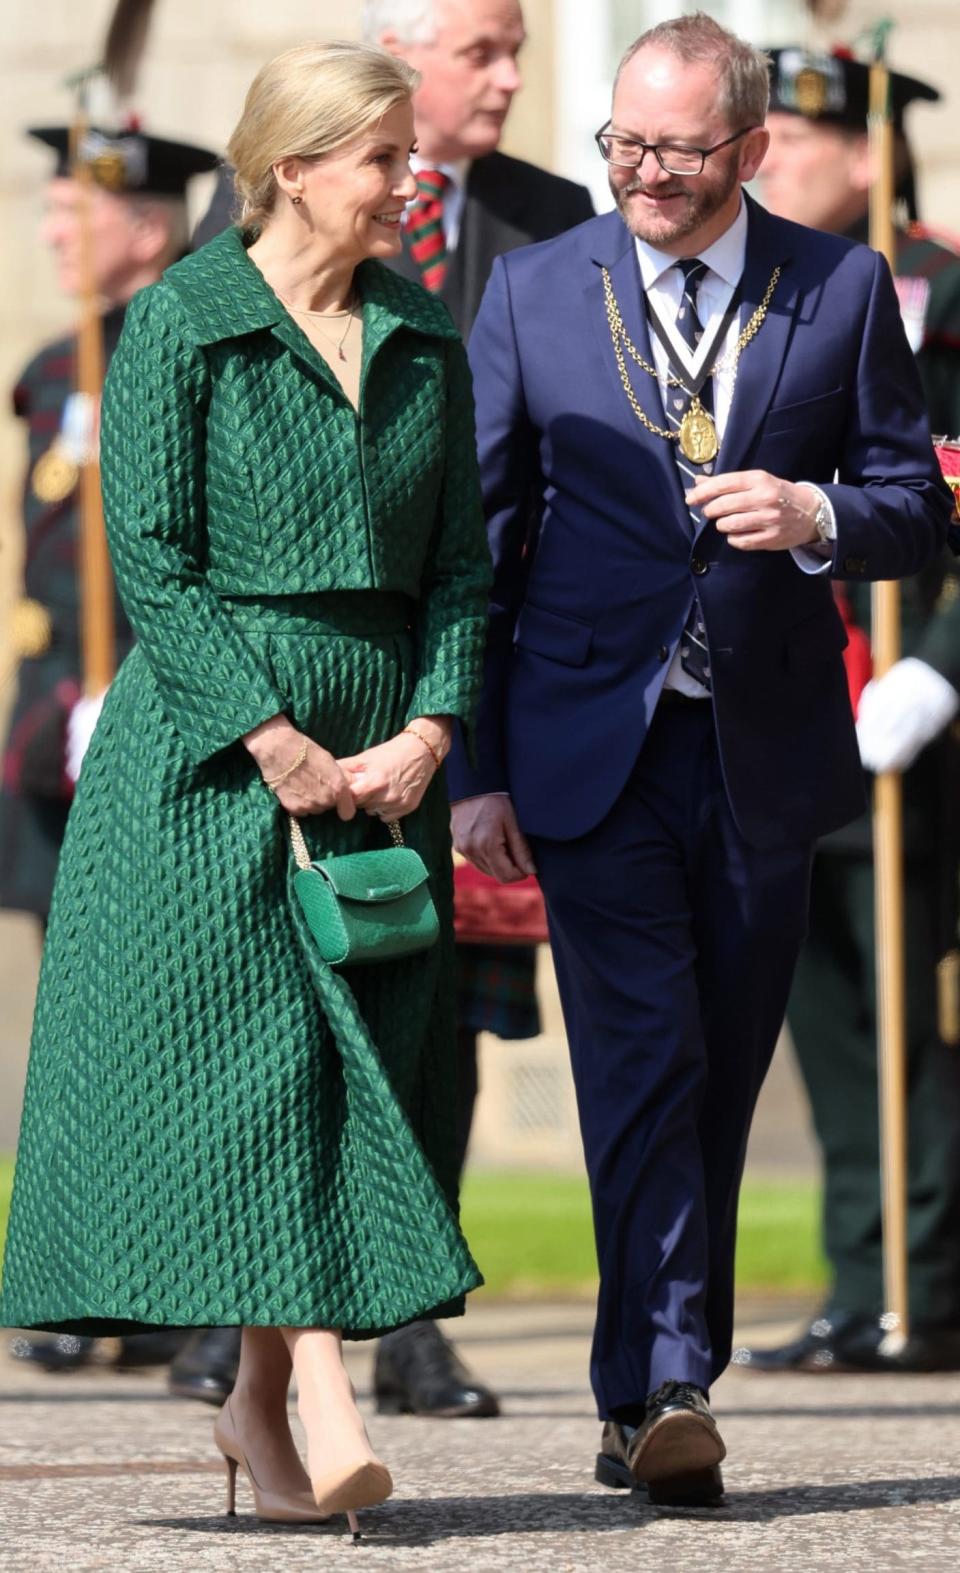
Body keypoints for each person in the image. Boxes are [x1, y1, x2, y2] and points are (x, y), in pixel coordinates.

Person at [447, 12, 953, 1506]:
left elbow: (916, 502)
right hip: (585, 747)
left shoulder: (842, 285)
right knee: (641, 1056)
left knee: (721, 1067)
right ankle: (670, 1380)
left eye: (676, 149)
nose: (646, 173)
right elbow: (477, 547)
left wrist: (819, 523)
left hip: (765, 746)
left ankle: (645, 1386)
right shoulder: (540, 293)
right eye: (623, 144)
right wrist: (473, 762)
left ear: (747, 146)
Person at [0, 41, 491, 1532]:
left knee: (351, 1071)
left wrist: (433, 723)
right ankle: (321, 1388)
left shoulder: (424, 331)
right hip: (212, 764)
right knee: (265, 1074)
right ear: (296, 166)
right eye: (383, 156)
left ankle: (259, 1403)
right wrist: (270, 736)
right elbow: (149, 553)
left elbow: (462, 568)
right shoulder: (184, 321)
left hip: (381, 760)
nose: (410, 179)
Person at [180, 0, 594, 1419]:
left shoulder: (550, 218)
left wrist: (442, 720)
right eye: (483, 51)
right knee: (259, 1035)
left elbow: (505, 510)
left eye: (520, 51)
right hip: (270, 712)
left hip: (460, 673)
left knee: (429, 1017)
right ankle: (249, 1329)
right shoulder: (208, 280)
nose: (510, 81)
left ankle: (408, 1317)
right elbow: (169, 535)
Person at [737, 47, 960, 1374]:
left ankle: (926, 1287)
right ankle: (859, 1276)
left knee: (909, 1010)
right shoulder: (777, 297)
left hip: (918, 712)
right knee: (824, 1008)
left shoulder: (939, 296)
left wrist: (936, 664)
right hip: (803, 702)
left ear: (866, 153)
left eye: (797, 139)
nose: (770, 162)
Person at [2, 121, 219, 1378]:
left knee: (173, 1014)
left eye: (68, 212)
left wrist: (124, 683)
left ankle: (194, 1293)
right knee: (82, 1019)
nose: (47, 231)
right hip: (50, 728)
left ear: (144, 225)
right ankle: (103, 1284)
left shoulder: (176, 338)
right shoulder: (50, 363)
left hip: (149, 705)